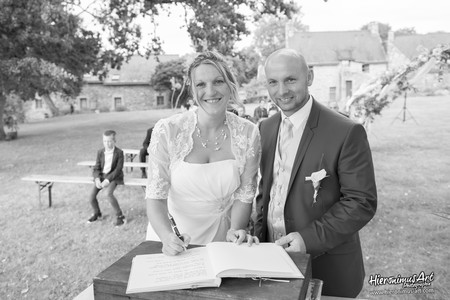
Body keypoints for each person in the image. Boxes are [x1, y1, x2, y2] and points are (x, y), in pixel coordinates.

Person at [254, 49, 377, 298]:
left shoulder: (346, 131)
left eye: (290, 79)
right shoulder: (265, 128)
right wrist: (253, 235)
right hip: (270, 264)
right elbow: (267, 192)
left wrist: (308, 240)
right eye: (273, 82)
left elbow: (361, 202)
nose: (282, 90)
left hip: (328, 268)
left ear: (309, 77)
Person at [145, 51, 261, 256]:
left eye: (218, 81)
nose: (210, 91)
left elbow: (244, 195)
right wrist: (166, 237)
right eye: (201, 84)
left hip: (223, 241)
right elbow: (155, 196)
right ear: (192, 89)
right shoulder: (168, 131)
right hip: (175, 240)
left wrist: (236, 229)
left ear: (230, 85)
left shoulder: (249, 133)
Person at [88, 130, 126, 226]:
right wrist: (97, 179)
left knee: (108, 194)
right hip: (102, 177)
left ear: (114, 141)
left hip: (114, 177)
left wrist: (107, 180)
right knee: (91, 196)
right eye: (105, 141)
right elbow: (96, 168)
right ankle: (97, 213)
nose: (107, 143)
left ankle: (120, 216)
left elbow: (118, 170)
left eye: (109, 141)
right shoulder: (100, 152)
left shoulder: (119, 153)